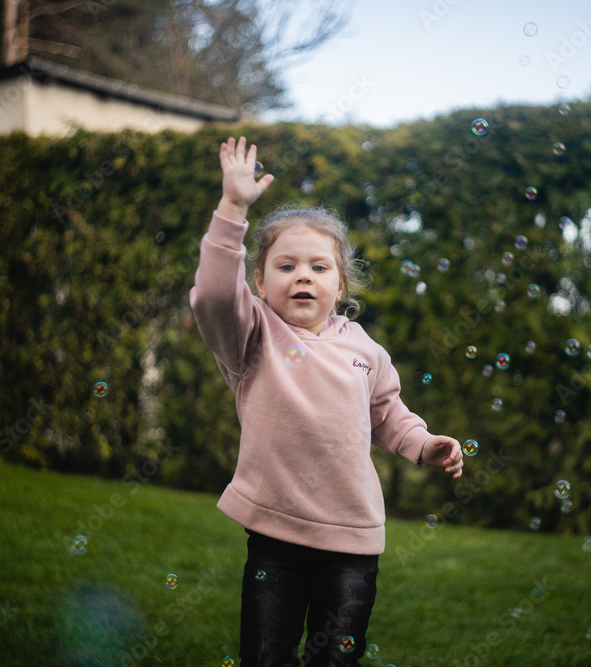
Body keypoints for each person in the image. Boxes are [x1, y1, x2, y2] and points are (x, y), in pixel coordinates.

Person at [189, 136, 464, 666]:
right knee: (266, 656)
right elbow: (213, 294)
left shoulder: (365, 349)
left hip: (353, 543)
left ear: (341, 284)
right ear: (260, 282)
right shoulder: (251, 336)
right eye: (286, 266)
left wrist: (425, 444)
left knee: (335, 660)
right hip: (276, 535)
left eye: (319, 267)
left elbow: (388, 414)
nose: (303, 277)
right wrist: (233, 208)